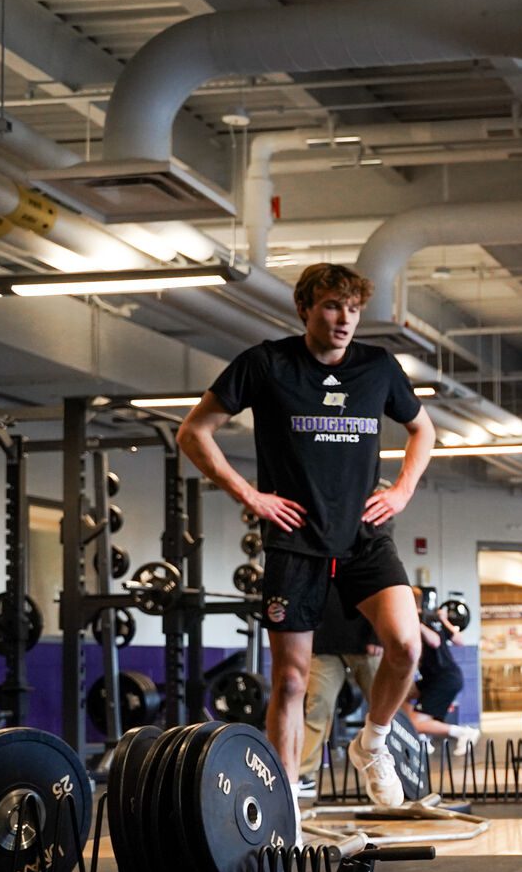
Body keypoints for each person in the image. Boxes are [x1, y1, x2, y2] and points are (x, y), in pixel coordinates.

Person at [178, 262, 436, 808]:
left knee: (407, 646)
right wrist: (248, 494)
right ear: (305, 309)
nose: (344, 320)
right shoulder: (267, 364)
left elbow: (423, 428)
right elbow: (193, 431)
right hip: (296, 540)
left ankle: (374, 742)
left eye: (353, 309)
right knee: (292, 682)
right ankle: (284, 802)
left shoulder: (378, 368)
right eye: (331, 307)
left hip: (365, 536)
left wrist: (403, 491)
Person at [299, 591, 383, 793]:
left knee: (384, 709)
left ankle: (397, 769)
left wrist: (377, 635)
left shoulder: (366, 559)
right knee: (316, 707)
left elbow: (383, 591)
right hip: (326, 645)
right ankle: (304, 774)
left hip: (367, 644)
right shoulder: (319, 562)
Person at [410, 609, 480, 755]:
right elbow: (459, 640)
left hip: (443, 679)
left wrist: (420, 623)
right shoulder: (435, 618)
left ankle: (463, 732)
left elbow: (436, 641)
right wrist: (443, 620)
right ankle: (422, 737)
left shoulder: (425, 620)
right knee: (403, 695)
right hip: (434, 677)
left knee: (416, 723)